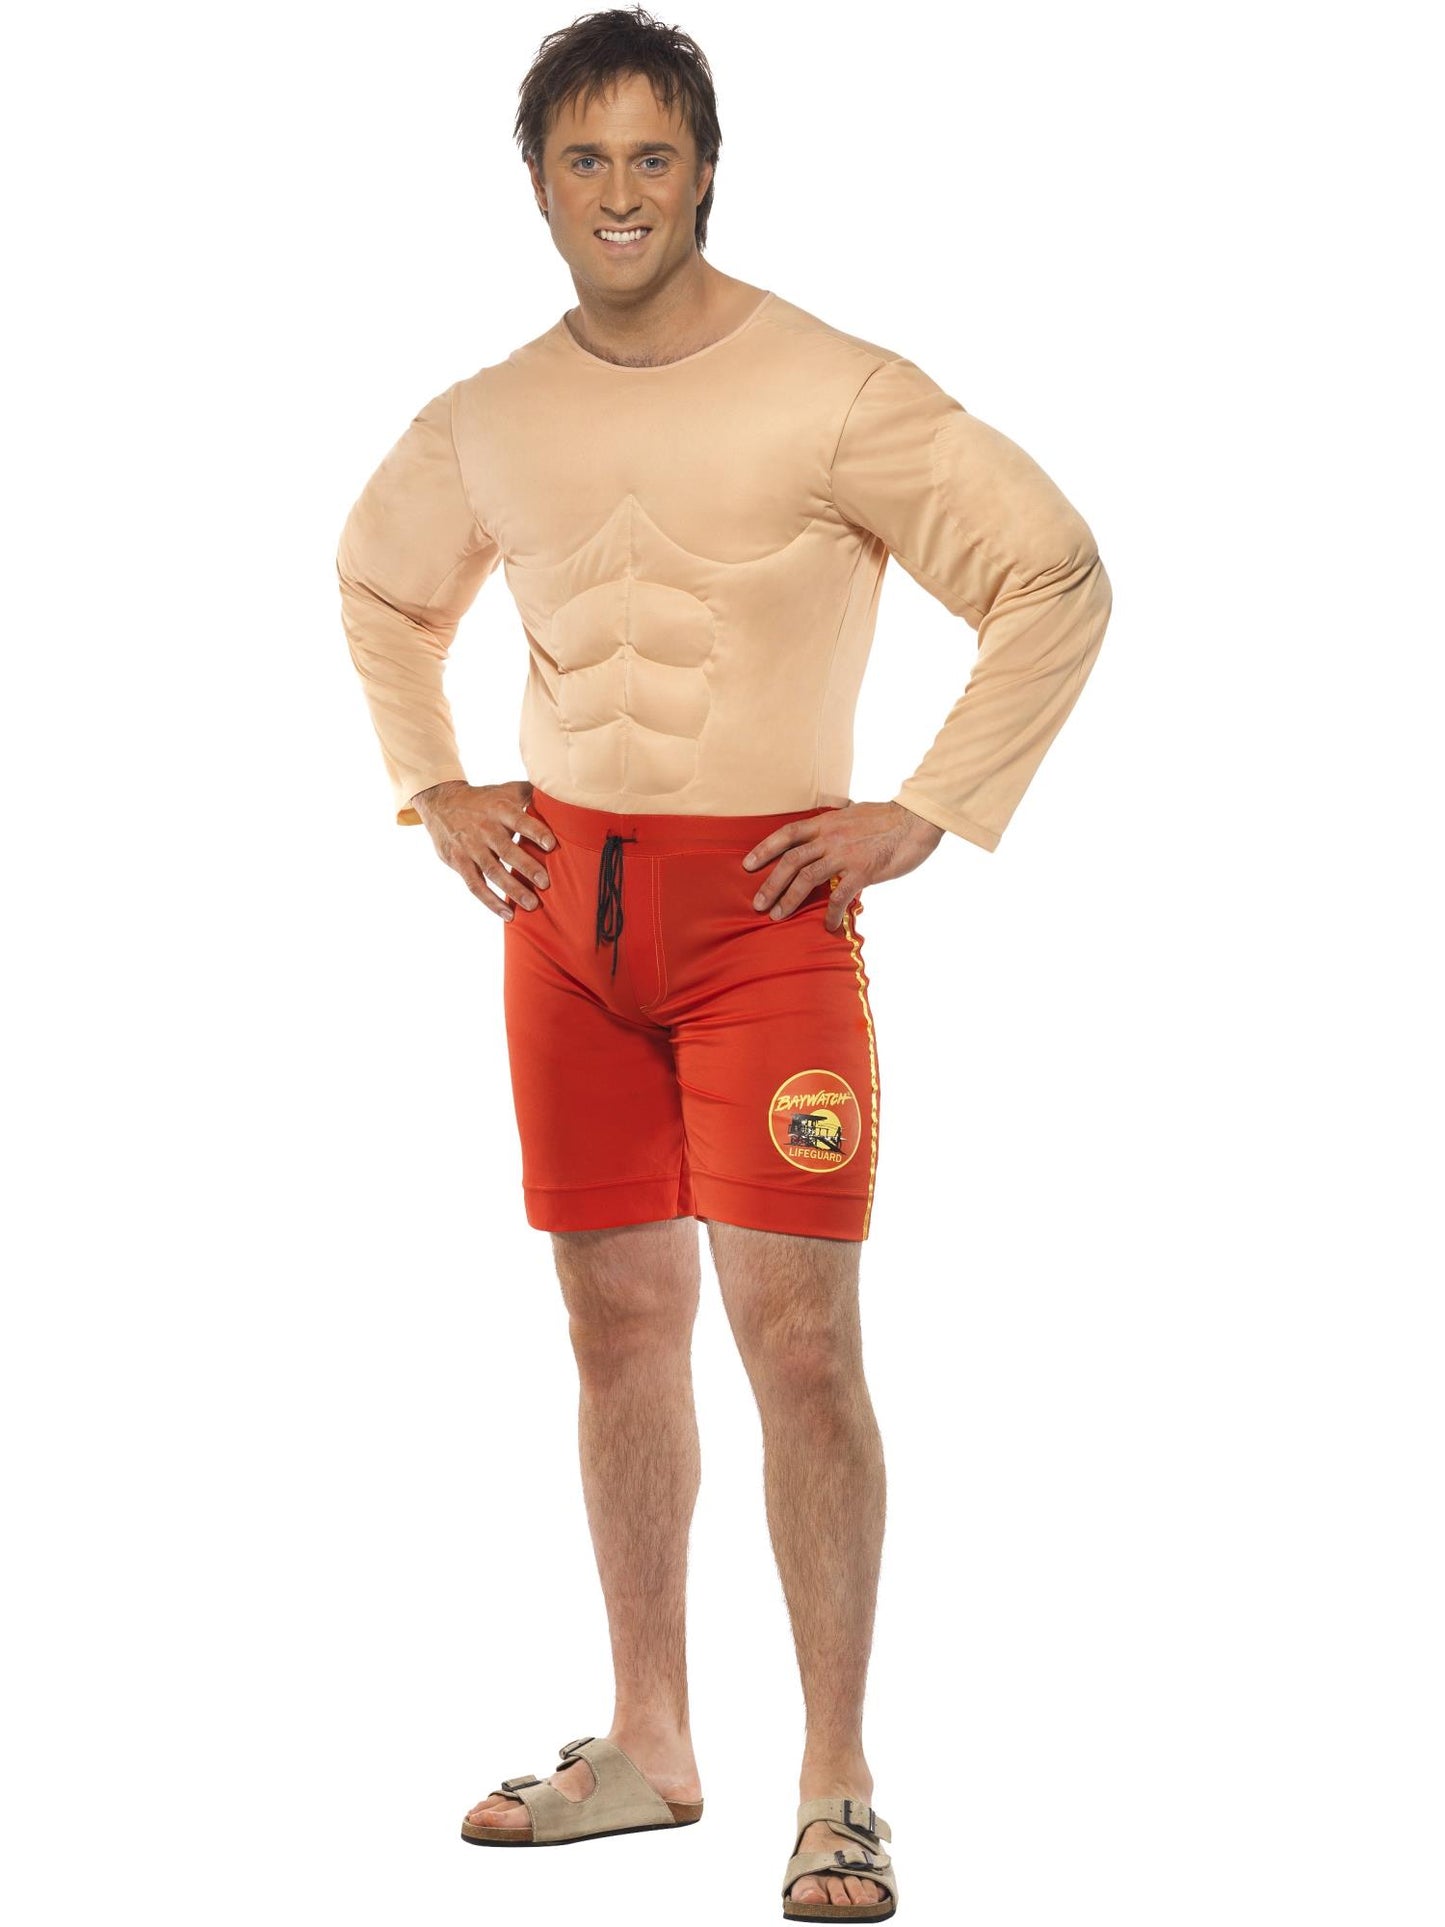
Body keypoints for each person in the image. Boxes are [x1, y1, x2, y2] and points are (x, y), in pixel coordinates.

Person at [334, 9, 1111, 1918]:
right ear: (537, 183)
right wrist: (434, 786)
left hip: (766, 923)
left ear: (704, 171)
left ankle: (835, 1781)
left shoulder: (836, 390)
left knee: (800, 1345)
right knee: (613, 1330)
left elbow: (1050, 572)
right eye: (583, 159)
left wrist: (929, 807)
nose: (619, 192)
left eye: (651, 156)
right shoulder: (487, 413)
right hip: (559, 918)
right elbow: (378, 582)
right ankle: (649, 1743)